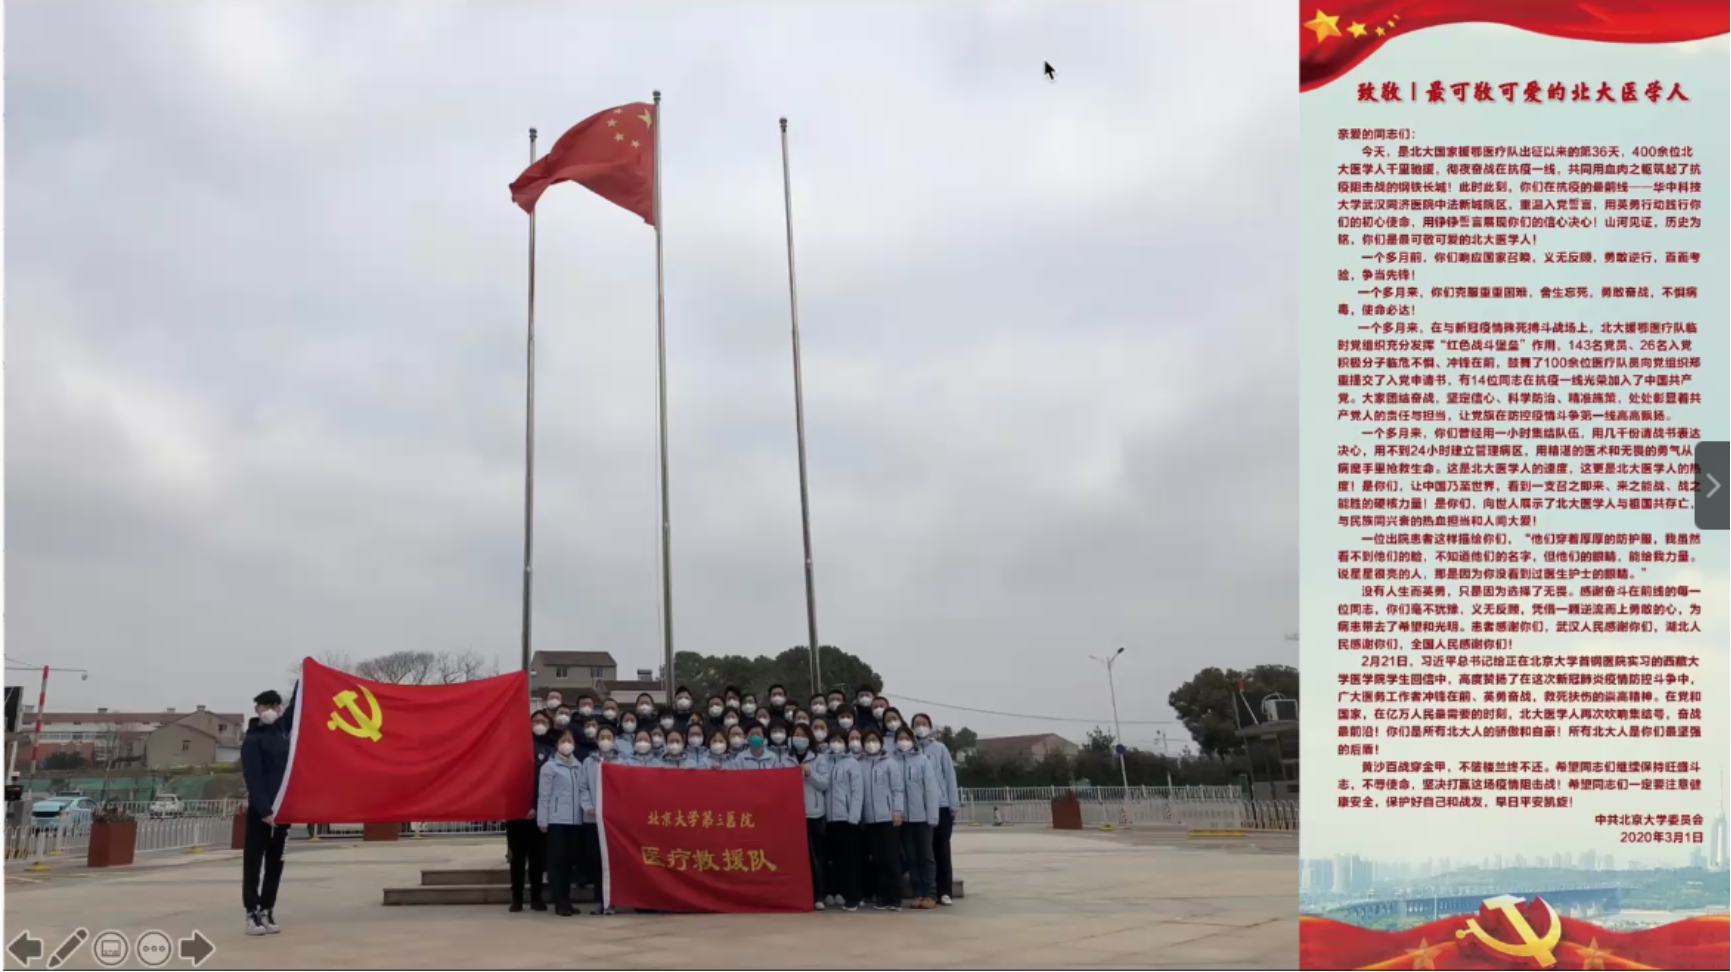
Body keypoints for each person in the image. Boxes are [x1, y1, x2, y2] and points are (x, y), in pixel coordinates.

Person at [241, 689, 293, 936]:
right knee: (253, 864)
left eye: (275, 706)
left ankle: (267, 909)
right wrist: (264, 810)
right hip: (261, 813)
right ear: (257, 709)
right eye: (265, 706)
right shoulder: (252, 739)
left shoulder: (283, 731)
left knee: (275, 864)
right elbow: (254, 778)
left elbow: (298, 705)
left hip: (283, 812)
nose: (270, 710)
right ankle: (251, 912)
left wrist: (305, 677)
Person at [507, 711, 555, 912]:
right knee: (517, 858)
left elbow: (548, 784)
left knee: (537, 859)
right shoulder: (516, 748)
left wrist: (536, 806)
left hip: (539, 814)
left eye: (544, 721)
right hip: (517, 813)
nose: (540, 724)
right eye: (536, 721)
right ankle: (517, 899)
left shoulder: (551, 750)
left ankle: (536, 898)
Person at [912, 712, 960, 906]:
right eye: (917, 724)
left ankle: (945, 891)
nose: (920, 727)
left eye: (924, 723)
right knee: (924, 851)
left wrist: (953, 804)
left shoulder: (940, 749)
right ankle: (927, 890)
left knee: (942, 849)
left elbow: (949, 776)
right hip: (919, 808)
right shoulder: (911, 749)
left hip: (941, 805)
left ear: (930, 726)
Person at [537, 730, 585, 917]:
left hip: (575, 821)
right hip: (556, 821)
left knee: (569, 862)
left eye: (569, 740)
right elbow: (544, 795)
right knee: (557, 862)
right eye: (563, 740)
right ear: (557, 745)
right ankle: (560, 901)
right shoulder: (549, 767)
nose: (566, 743)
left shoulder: (579, 766)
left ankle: (567, 898)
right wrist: (542, 820)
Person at [894, 726, 942, 909]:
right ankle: (918, 893)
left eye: (906, 738)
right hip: (904, 819)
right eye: (900, 738)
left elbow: (930, 790)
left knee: (926, 857)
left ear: (913, 741)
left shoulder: (923, 761)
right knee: (911, 858)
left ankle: (931, 894)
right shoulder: (893, 761)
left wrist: (932, 817)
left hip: (922, 818)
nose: (903, 741)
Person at [858, 729, 905, 911]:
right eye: (867, 740)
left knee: (891, 859)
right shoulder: (859, 764)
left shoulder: (890, 763)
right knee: (877, 860)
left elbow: (897, 789)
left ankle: (895, 898)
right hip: (870, 820)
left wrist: (897, 811)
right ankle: (883, 897)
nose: (871, 744)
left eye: (874, 740)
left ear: (880, 742)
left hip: (888, 818)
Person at [578, 726, 623, 915]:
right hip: (593, 819)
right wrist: (588, 806)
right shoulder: (588, 762)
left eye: (608, 737)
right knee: (596, 860)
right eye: (602, 737)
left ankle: (612, 900)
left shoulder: (622, 761)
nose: (605, 740)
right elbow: (583, 788)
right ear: (596, 740)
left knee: (613, 861)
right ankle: (599, 900)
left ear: (614, 740)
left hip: (614, 822)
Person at [824, 727, 865, 912]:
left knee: (851, 860)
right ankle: (838, 892)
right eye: (833, 740)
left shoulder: (852, 763)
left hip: (847, 818)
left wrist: (853, 816)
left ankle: (854, 897)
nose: (836, 744)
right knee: (835, 860)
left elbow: (857, 792)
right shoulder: (824, 760)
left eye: (840, 740)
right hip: (828, 818)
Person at [792, 723, 831, 910]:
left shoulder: (819, 759)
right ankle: (799, 894)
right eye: (796, 734)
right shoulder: (785, 759)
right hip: (792, 814)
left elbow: (824, 784)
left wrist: (810, 773)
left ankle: (818, 895)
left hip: (814, 813)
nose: (799, 738)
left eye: (803, 735)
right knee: (796, 857)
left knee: (816, 857)